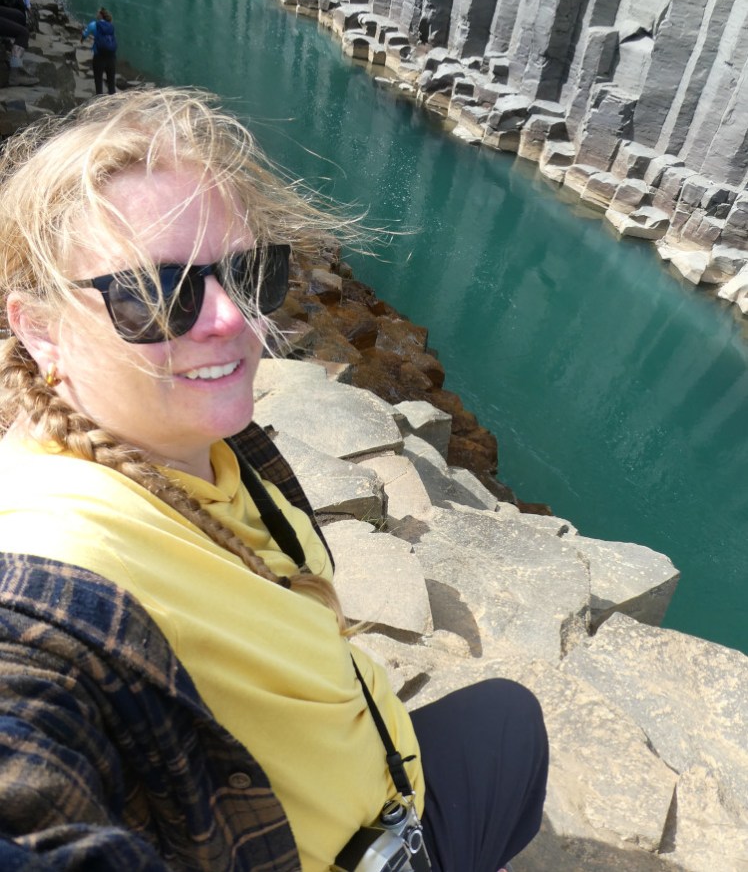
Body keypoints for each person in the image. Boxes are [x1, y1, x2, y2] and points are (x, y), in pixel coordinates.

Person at [0, 87, 548, 871]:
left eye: (249, 272)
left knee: (508, 719)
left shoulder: (216, 443)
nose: (230, 319)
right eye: (157, 293)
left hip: (389, 801)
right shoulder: (43, 581)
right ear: (40, 327)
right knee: (512, 729)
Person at [0, 0, 38, 88]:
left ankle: (11, 42)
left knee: (18, 16)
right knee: (23, 32)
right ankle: (15, 75)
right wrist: (29, 9)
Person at [81, 5, 118, 95]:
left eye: (97, 12)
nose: (96, 14)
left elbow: (85, 34)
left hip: (99, 57)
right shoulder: (111, 26)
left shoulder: (94, 25)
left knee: (98, 81)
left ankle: (100, 102)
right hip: (111, 57)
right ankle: (113, 103)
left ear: (100, 15)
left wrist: (82, 40)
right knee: (111, 83)